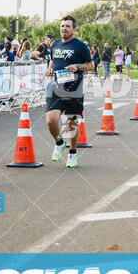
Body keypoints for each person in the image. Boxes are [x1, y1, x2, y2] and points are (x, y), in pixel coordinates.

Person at [45, 16, 93, 169]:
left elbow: (91, 65)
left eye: (67, 26)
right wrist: (50, 68)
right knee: (51, 119)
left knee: (71, 124)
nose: (64, 28)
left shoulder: (80, 46)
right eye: (62, 26)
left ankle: (72, 153)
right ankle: (59, 142)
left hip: (74, 91)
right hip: (56, 87)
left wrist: (78, 66)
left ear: (73, 29)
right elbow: (53, 59)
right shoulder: (55, 45)